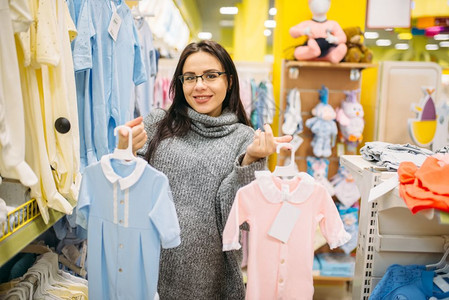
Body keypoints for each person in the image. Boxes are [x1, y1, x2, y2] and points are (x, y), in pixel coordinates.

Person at [118, 40, 292, 299]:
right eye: (190, 78)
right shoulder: (157, 124)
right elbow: (125, 198)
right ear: (180, 83)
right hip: (148, 272)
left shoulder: (245, 139)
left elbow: (242, 221)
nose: (199, 85)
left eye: (211, 76)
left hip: (212, 282)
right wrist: (124, 154)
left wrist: (250, 162)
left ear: (229, 81)